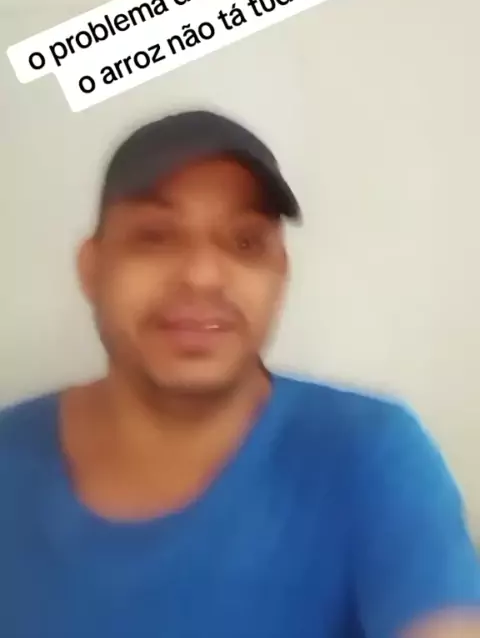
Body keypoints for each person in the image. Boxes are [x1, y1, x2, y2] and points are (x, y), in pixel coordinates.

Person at [1, 109, 479, 638]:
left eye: (246, 242)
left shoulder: (368, 452)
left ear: (280, 275)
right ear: (92, 268)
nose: (202, 275)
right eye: (155, 236)